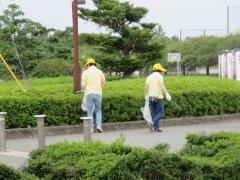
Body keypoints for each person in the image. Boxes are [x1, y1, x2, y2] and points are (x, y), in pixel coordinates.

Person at [145, 63, 171, 132]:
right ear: (159, 70)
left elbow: (146, 87)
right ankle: (151, 122)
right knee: (161, 112)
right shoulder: (159, 76)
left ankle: (156, 128)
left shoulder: (149, 76)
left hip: (150, 97)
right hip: (158, 97)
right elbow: (162, 86)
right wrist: (167, 94)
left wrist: (146, 95)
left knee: (154, 112)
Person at [81, 58, 105, 133]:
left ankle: (91, 129)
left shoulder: (85, 72)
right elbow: (103, 82)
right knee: (98, 110)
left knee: (90, 111)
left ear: (88, 64)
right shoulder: (99, 72)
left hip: (89, 93)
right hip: (98, 93)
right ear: (94, 64)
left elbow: (83, 84)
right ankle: (99, 126)